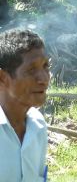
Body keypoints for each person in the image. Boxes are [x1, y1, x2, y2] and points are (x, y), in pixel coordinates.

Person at [0, 29, 50, 182]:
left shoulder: (38, 125)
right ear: (3, 78)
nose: (44, 79)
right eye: (31, 70)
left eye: (46, 66)